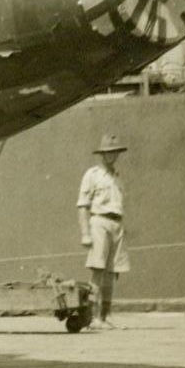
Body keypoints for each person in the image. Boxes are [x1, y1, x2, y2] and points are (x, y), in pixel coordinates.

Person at [77, 134, 130, 331]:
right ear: (102, 154)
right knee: (97, 270)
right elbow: (82, 205)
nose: (111, 156)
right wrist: (85, 233)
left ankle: (105, 316)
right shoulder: (92, 174)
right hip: (99, 222)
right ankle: (92, 317)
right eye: (107, 152)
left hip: (116, 223)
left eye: (114, 152)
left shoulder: (117, 177)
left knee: (112, 273)